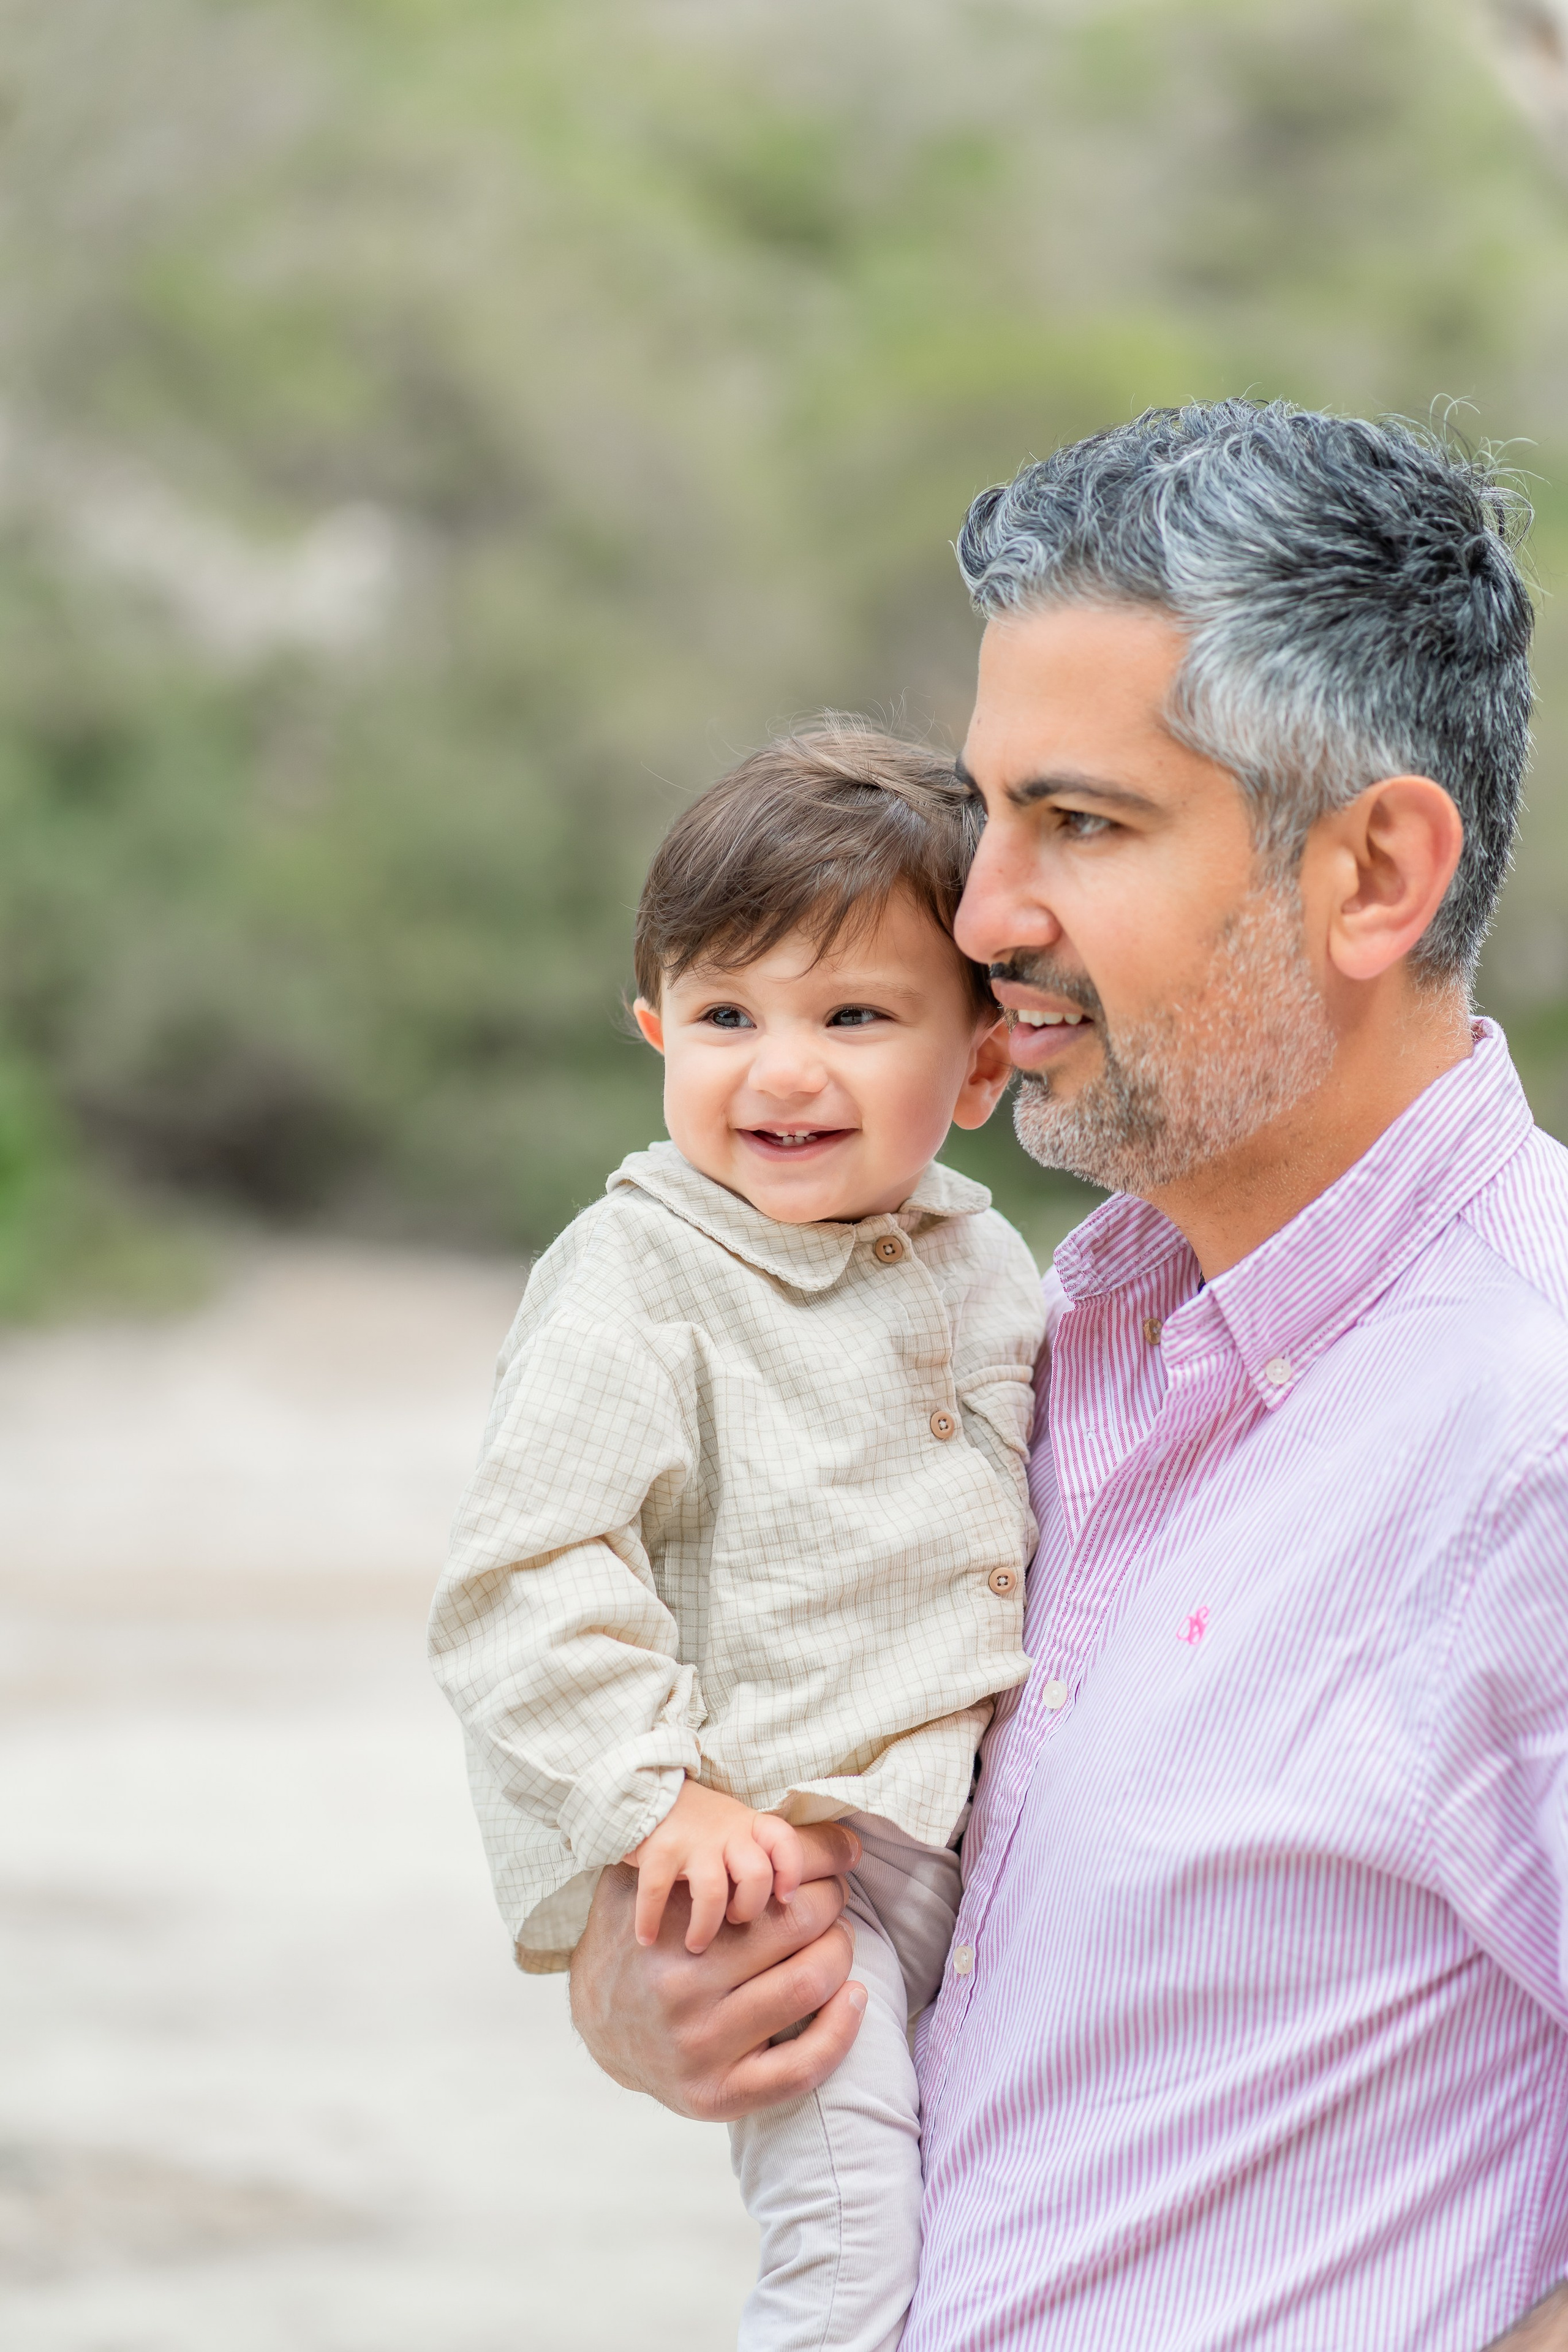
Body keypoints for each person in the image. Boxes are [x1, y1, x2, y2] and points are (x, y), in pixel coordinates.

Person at [567, 402, 1568, 2351]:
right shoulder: (1034, 1330)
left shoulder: (1534, 1424)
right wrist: (651, 1994)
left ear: (1375, 875)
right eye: (987, 809)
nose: (976, 912)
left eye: (1079, 824)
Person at [429, 722, 1048, 2350]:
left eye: (855, 1016)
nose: (780, 1070)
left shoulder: (991, 1267)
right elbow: (522, 1575)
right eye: (724, 1015)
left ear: (979, 1065)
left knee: (988, 2228)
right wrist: (661, 1799)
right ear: (653, 1031)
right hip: (793, 1870)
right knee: (848, 2264)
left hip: (991, 1868)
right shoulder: (638, 1276)